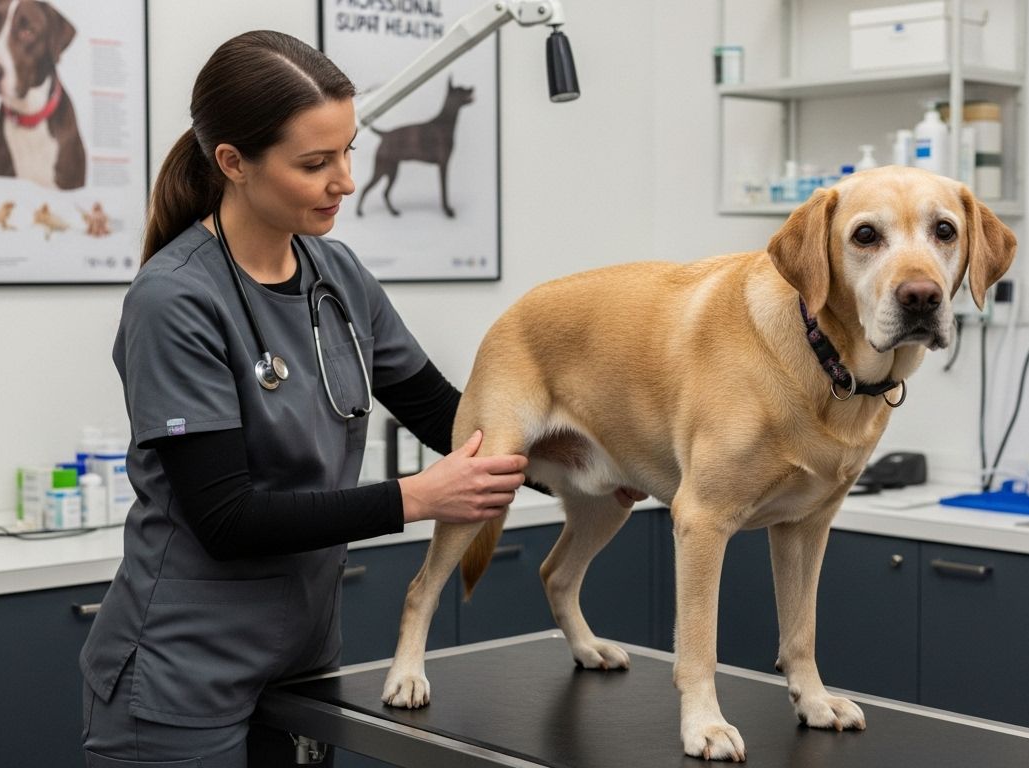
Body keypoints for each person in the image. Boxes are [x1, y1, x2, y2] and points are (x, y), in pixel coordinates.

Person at [79, 30, 642, 768]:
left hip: (308, 660)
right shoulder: (175, 299)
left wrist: (589, 464)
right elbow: (225, 517)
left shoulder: (336, 275)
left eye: (349, 149)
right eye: (315, 163)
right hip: (182, 674)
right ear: (232, 163)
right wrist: (415, 499)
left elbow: (448, 416)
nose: (345, 179)